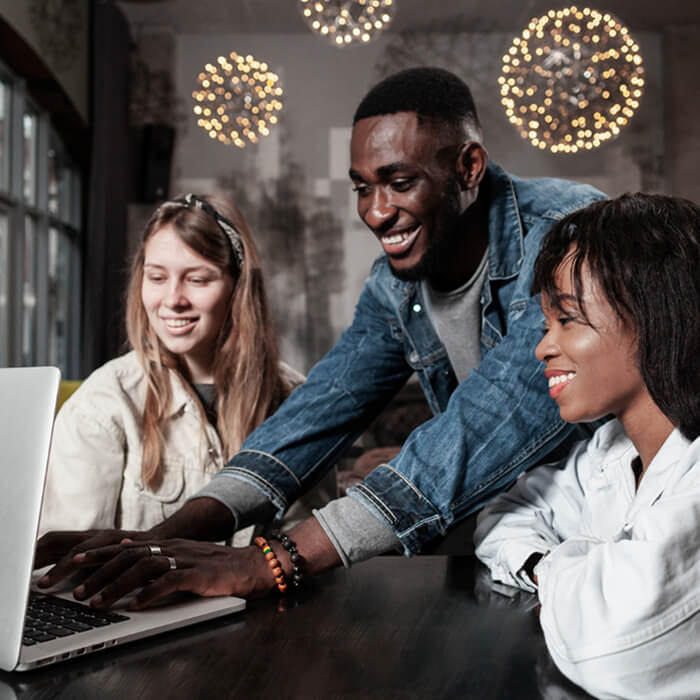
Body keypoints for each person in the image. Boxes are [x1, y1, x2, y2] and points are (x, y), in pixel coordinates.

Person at [36, 67, 605, 606]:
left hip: (606, 531)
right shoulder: (393, 285)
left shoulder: (570, 237)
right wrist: (162, 538)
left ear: (469, 167)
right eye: (362, 188)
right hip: (513, 534)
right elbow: (321, 408)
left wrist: (270, 561)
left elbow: (494, 413)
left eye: (399, 183)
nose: (377, 213)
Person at [474, 193, 700, 700]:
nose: (542, 347)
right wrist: (565, 569)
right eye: (546, 324)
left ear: (657, 316)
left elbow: (613, 646)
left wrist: (557, 565)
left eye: (568, 319)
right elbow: (505, 514)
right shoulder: (608, 450)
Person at [39, 193, 335, 542]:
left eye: (197, 280)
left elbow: (309, 551)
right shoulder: (102, 407)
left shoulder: (294, 399)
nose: (173, 300)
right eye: (157, 277)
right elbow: (66, 563)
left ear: (238, 287)